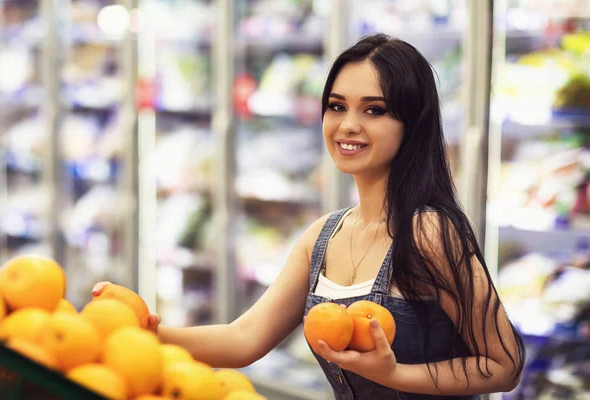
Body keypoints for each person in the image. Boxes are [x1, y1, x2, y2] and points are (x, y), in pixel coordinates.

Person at [93, 34, 525, 399]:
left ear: (411, 124)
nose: (348, 125)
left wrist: (394, 375)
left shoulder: (429, 233)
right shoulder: (324, 236)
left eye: (373, 110)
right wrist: (136, 334)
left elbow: (503, 364)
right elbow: (244, 339)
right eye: (337, 106)